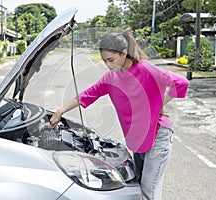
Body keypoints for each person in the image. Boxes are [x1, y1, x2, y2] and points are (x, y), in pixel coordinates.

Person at [50, 30, 189, 200]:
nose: (108, 65)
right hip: (137, 136)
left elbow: (181, 82)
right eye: (104, 61)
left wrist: (160, 104)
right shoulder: (110, 77)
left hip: (157, 133)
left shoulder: (146, 69)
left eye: (111, 60)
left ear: (124, 54)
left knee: (149, 191)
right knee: (136, 185)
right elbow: (88, 94)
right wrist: (61, 110)